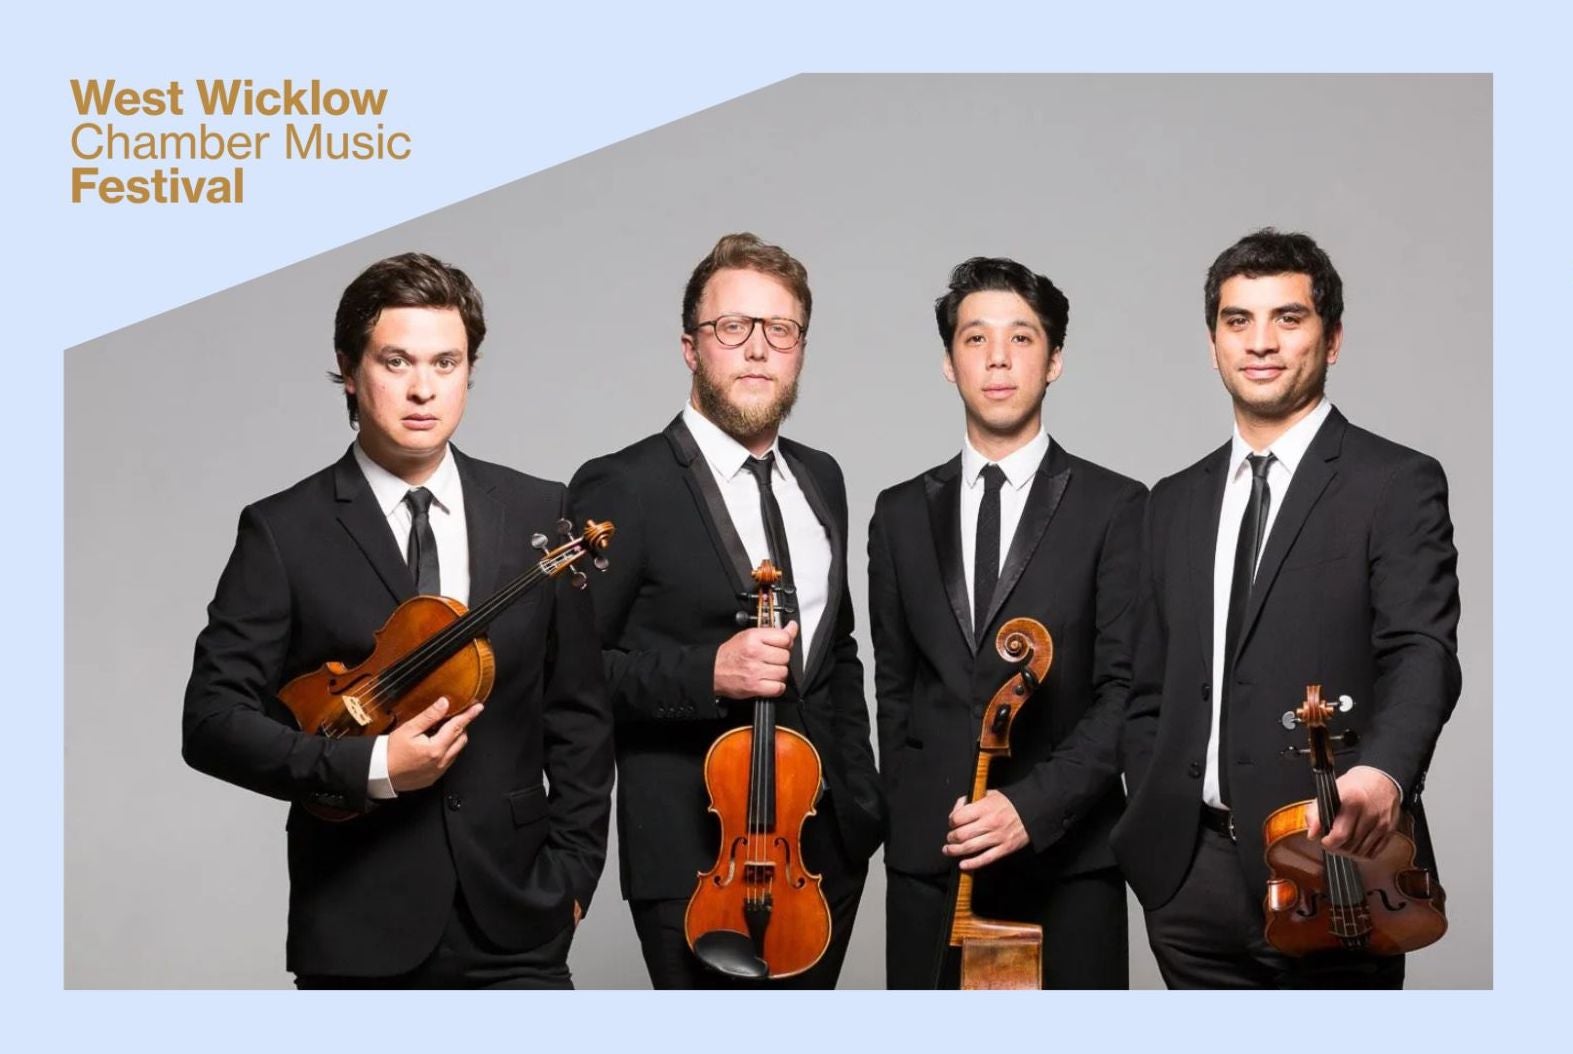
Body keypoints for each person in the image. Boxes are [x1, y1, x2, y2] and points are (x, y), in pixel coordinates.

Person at [181, 252, 613, 988]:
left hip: (516, 921)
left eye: (446, 362)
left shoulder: (540, 512)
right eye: (396, 361)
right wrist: (372, 767)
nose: (422, 388)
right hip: (356, 916)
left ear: (469, 371)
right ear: (349, 371)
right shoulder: (284, 530)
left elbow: (577, 712)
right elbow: (212, 722)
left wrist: (571, 879)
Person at [1111, 228, 1462, 988]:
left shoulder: (1394, 482)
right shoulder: (1170, 502)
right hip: (1185, 880)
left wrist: (1383, 776)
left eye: (1287, 318)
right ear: (1212, 343)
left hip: (1333, 870)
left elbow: (1422, 652)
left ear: (1331, 339)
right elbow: (1147, 683)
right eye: (1237, 321)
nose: (1259, 342)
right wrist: (1153, 819)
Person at [568, 232, 885, 989]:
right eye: (730, 327)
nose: (756, 350)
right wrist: (708, 672)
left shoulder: (821, 477)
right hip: (694, 860)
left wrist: (862, 804)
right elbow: (571, 676)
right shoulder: (623, 486)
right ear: (689, 347)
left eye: (779, 330)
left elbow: (834, 651)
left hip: (820, 852)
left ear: (800, 349)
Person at [869, 257, 1143, 989]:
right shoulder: (896, 514)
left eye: (1020, 339)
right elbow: (893, 691)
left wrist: (1030, 807)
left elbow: (1126, 693)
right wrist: (915, 814)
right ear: (947, 362)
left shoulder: (1117, 507)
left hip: (1068, 858)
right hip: (933, 858)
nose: (996, 358)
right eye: (974, 338)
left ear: (1053, 360)